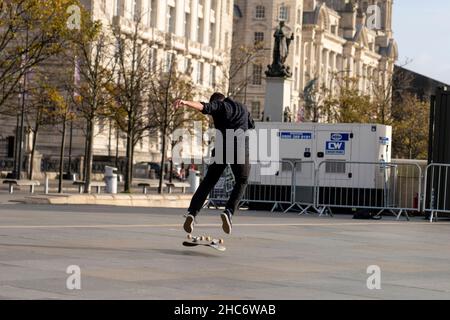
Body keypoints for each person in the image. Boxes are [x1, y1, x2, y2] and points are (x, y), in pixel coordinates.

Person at [173, 93, 255, 234]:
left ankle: (192, 213)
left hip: (222, 149)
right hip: (240, 149)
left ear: (217, 101)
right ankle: (228, 212)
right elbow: (252, 125)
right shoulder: (243, 108)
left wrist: (185, 102)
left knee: (209, 181)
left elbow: (203, 106)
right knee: (242, 180)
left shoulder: (220, 105)